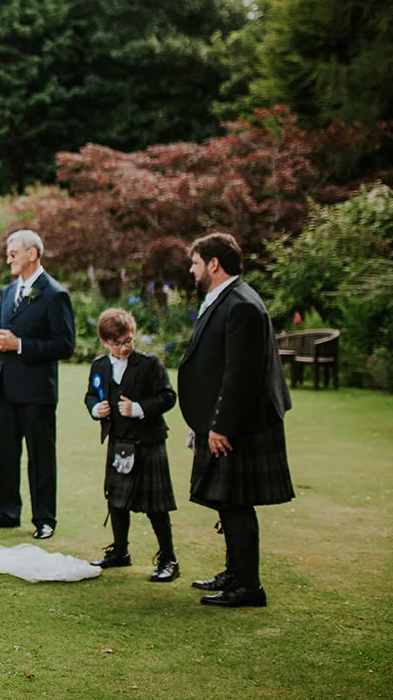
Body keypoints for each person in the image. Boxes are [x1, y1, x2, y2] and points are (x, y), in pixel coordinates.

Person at [178, 233, 293, 607]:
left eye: (196, 263)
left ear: (214, 264)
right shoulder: (228, 299)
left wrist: (220, 425)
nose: (192, 270)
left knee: (236, 502)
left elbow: (240, 374)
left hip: (241, 424)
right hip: (230, 419)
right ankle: (235, 573)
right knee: (226, 501)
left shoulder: (241, 304)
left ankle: (248, 587)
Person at [0, 230, 75, 540]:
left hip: (37, 392)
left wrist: (20, 345)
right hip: (5, 388)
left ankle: (44, 518)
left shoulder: (55, 294)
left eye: (13, 254)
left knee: (40, 457)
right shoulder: (8, 292)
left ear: (32, 254)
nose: (8, 260)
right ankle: (7, 512)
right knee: (4, 454)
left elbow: (65, 345)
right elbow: (3, 332)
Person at [83, 309, 180, 583]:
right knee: (116, 501)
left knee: (156, 505)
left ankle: (169, 559)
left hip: (148, 442)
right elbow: (90, 395)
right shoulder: (99, 366)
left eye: (129, 341)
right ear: (104, 342)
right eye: (117, 343)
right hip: (118, 442)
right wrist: (96, 409)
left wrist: (138, 408)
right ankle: (120, 551)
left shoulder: (149, 364)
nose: (125, 348)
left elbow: (168, 396)